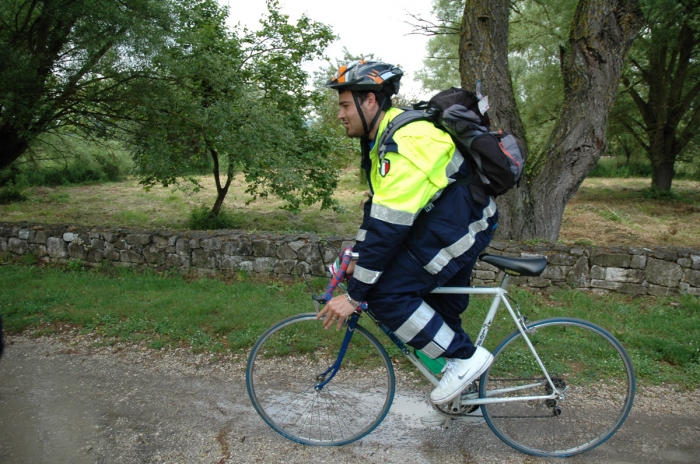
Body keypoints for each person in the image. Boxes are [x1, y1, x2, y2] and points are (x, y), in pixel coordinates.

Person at [316, 60, 499, 425]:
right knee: (437, 309)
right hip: (444, 219)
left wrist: (355, 294)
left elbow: (389, 229)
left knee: (383, 294)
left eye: (344, 105)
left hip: (462, 221)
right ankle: (462, 383)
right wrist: (357, 255)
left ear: (370, 101)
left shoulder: (405, 139)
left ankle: (463, 361)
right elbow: (377, 214)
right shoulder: (383, 138)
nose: (339, 114)